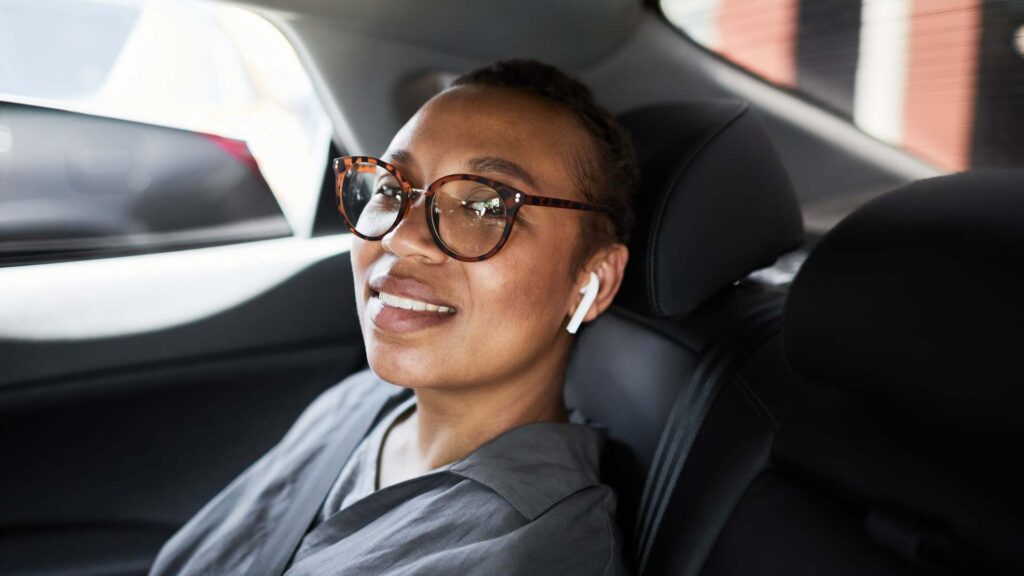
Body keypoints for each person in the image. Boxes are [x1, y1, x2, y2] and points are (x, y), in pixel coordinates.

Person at [148, 59, 639, 576]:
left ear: (594, 279)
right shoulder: (357, 405)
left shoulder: (539, 553)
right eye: (391, 190)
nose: (399, 235)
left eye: (484, 207)